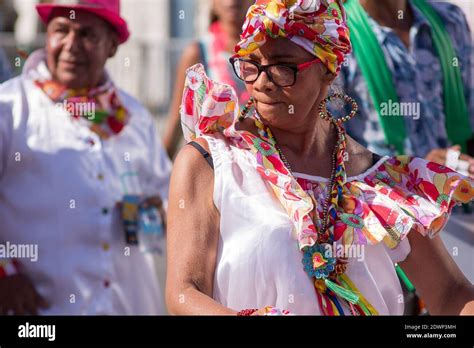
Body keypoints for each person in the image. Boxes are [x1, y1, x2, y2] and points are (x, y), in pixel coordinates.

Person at [166, 0, 474, 315]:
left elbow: (450, 292)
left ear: (329, 69)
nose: (261, 82)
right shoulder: (211, 163)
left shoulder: (380, 181)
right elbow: (183, 292)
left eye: (283, 66)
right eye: (250, 65)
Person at [0, 0, 171, 315]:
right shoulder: (9, 109)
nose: (71, 46)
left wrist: (158, 211)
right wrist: (3, 273)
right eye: (61, 30)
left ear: (112, 47)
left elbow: (168, 195)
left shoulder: (134, 117)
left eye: (87, 35)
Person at [339, 0, 474, 177]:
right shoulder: (338, 38)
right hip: (382, 198)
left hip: (460, 198)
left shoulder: (449, 20)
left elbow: (468, 120)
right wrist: (414, 173)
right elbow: (333, 154)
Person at [163, 0, 254, 159]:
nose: (232, 2)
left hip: (259, 163)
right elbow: (178, 121)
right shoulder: (198, 53)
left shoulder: (265, 53)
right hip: (213, 166)